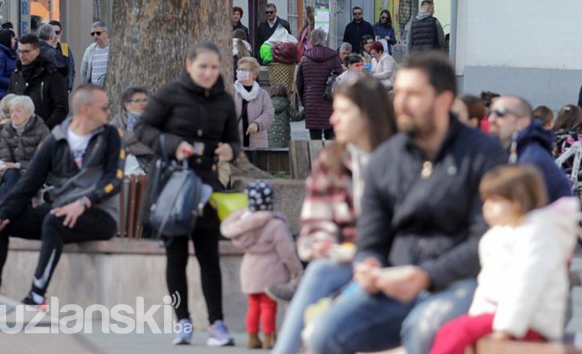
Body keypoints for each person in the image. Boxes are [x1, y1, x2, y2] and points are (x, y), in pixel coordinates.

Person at [304, 52, 508, 354]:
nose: (399, 102)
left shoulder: (483, 155)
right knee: (322, 333)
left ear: (443, 100)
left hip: (461, 280)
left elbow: (487, 238)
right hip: (393, 281)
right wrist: (368, 264)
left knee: (423, 329)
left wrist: (427, 276)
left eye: (413, 95)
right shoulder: (386, 159)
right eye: (398, 92)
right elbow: (371, 238)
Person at [268, 76, 396, 354]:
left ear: (368, 115)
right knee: (321, 269)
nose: (333, 119)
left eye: (343, 112)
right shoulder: (331, 163)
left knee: (323, 280)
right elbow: (315, 225)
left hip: (391, 261)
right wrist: (326, 245)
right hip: (343, 260)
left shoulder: (401, 160)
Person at [134, 41, 241, 347]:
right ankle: (182, 321)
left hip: (207, 184)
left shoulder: (223, 101)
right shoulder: (170, 94)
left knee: (209, 255)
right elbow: (142, 130)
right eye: (202, 66)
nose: (208, 72)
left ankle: (217, 323)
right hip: (172, 184)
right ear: (189, 65)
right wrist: (171, 145)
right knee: (176, 255)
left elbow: (235, 141)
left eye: (214, 67)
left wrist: (228, 150)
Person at [0, 84, 123, 304]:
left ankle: (37, 295)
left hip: (99, 213)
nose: (108, 112)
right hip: (62, 211)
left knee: (53, 219)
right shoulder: (56, 139)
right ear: (87, 109)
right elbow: (28, 183)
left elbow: (114, 180)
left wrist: (84, 202)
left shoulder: (110, 136)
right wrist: (2, 212)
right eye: (104, 107)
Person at [430, 166, 579, 354]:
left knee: (460, 331)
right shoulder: (501, 234)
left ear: (517, 202)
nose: (486, 207)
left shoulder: (537, 234)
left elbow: (525, 285)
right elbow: (488, 285)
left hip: (530, 323)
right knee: (449, 330)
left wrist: (507, 328)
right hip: (499, 317)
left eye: (494, 200)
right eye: (485, 201)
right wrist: (476, 316)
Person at [221, 180, 302, 350]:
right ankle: (269, 337)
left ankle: (252, 337)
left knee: (253, 305)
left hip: (249, 268)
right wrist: (297, 270)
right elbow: (286, 252)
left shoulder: (244, 225)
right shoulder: (275, 225)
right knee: (268, 305)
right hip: (271, 270)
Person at [485, 95, 572, 204]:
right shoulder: (512, 151)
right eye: (490, 112)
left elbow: (520, 210)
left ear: (522, 122)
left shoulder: (532, 160)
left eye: (501, 113)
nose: (491, 119)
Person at [0, 95, 50, 199]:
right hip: (13, 173)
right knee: (10, 176)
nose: (14, 115)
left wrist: (17, 165)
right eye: (11, 112)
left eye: (18, 111)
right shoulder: (6, 131)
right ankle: (7, 213)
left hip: (35, 172)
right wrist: (3, 166)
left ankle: (4, 213)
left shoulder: (42, 130)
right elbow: (6, 159)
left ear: (29, 113)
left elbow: (43, 163)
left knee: (12, 181)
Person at [10, 34, 69, 129]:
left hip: (44, 132)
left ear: (37, 51)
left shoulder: (52, 75)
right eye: (19, 51)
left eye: (26, 51)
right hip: (19, 132)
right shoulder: (17, 74)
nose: (21, 55)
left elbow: (61, 108)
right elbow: (10, 101)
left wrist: (45, 128)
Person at [296, 28, 341, 140]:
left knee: (314, 140)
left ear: (311, 40)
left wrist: (304, 100)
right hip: (331, 102)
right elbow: (341, 79)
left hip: (311, 102)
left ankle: (316, 157)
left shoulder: (305, 59)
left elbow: (299, 83)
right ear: (324, 40)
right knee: (331, 138)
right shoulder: (333, 57)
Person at [234, 56, 275, 149]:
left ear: (254, 74)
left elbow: (269, 113)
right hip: (235, 142)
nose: (240, 72)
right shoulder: (231, 92)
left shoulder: (262, 94)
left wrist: (257, 124)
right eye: (239, 69)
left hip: (257, 143)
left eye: (244, 69)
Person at [114, 86, 155, 172]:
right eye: (137, 101)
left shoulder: (155, 118)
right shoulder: (119, 120)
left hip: (152, 160)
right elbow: (118, 140)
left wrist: (130, 145)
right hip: (129, 162)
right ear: (127, 105)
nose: (142, 103)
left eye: (145, 100)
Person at [266, 84, 303, 149]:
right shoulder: (287, 104)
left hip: (270, 137)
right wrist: (306, 110)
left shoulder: (268, 104)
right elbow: (297, 116)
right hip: (284, 138)